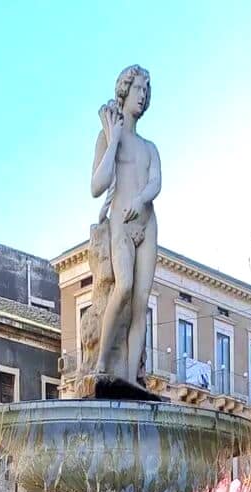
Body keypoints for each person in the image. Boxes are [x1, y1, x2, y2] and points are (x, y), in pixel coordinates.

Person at [90, 64, 162, 385]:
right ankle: (101, 363)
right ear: (124, 91)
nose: (142, 95)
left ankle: (132, 379)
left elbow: (156, 182)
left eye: (146, 90)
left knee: (140, 304)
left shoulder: (150, 148)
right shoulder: (107, 138)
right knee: (124, 288)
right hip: (120, 220)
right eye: (138, 89)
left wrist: (141, 199)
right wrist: (114, 139)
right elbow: (97, 186)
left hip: (146, 223)